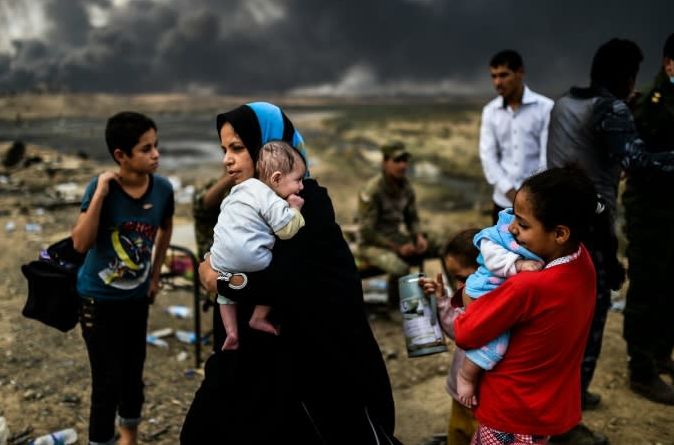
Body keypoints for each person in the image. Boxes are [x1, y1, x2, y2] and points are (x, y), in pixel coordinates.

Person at [181, 102, 399, 444]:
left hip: (309, 366)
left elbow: (289, 284)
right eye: (224, 149)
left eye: (237, 148)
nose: (226, 159)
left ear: (272, 150)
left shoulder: (306, 205)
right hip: (254, 360)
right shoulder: (249, 201)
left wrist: (217, 280)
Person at [548, 38, 674, 420]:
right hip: (592, 222)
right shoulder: (612, 108)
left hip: (557, 222)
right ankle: (568, 414)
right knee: (591, 316)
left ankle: (571, 394)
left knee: (564, 317)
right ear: (628, 76)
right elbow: (639, 162)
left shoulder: (564, 102)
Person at [454, 164, 599, 444]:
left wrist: (469, 293)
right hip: (545, 408)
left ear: (560, 233)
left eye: (523, 224)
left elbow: (466, 332)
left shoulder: (529, 286)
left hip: (509, 411)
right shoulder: (582, 261)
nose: (510, 228)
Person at [71, 111, 174, 445]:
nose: (156, 154)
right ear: (121, 156)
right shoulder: (100, 190)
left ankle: (129, 437)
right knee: (106, 381)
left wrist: (155, 276)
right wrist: (100, 193)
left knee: (133, 375)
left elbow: (165, 226)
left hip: (136, 300)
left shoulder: (162, 189)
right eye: (146, 149)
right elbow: (80, 243)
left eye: (156, 145)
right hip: (96, 301)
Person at [622, 30, 674, 407]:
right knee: (646, 289)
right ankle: (641, 371)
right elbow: (635, 161)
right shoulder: (648, 103)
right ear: (670, 62)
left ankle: (662, 353)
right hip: (650, 214)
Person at [210, 140, 307, 350]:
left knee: (224, 295)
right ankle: (258, 317)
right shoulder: (271, 198)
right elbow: (286, 231)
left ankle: (231, 332)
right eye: (298, 180)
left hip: (219, 259)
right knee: (274, 276)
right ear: (277, 178)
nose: (301, 186)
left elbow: (224, 212)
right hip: (254, 261)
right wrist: (295, 209)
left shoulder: (239, 190)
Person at [456, 210, 544, 408]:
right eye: (517, 223)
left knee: (483, 337)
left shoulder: (532, 234)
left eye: (523, 225)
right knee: (496, 344)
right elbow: (493, 259)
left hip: (493, 295)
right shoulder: (496, 234)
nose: (515, 229)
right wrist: (519, 265)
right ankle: (465, 376)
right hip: (483, 292)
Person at [419, 228, 481, 445]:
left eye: (463, 278)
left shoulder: (496, 310)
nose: (459, 287)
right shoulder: (470, 299)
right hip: (459, 396)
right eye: (455, 279)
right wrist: (443, 299)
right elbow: (458, 330)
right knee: (457, 434)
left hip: (483, 404)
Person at [479, 49, 553, 222]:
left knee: (534, 249)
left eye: (504, 75)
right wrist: (512, 193)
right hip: (502, 202)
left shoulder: (545, 108)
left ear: (520, 72)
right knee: (500, 249)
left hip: (538, 200)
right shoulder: (490, 111)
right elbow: (488, 157)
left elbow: (546, 157)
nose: (497, 82)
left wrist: (530, 195)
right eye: (493, 76)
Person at [357, 140, 431, 306]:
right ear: (385, 163)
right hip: (371, 245)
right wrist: (398, 247)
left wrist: (418, 236)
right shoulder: (373, 190)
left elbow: (412, 217)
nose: (403, 165)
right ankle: (393, 306)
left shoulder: (406, 187)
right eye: (397, 161)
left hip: (395, 238)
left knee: (439, 241)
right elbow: (366, 231)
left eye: (405, 161)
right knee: (400, 268)